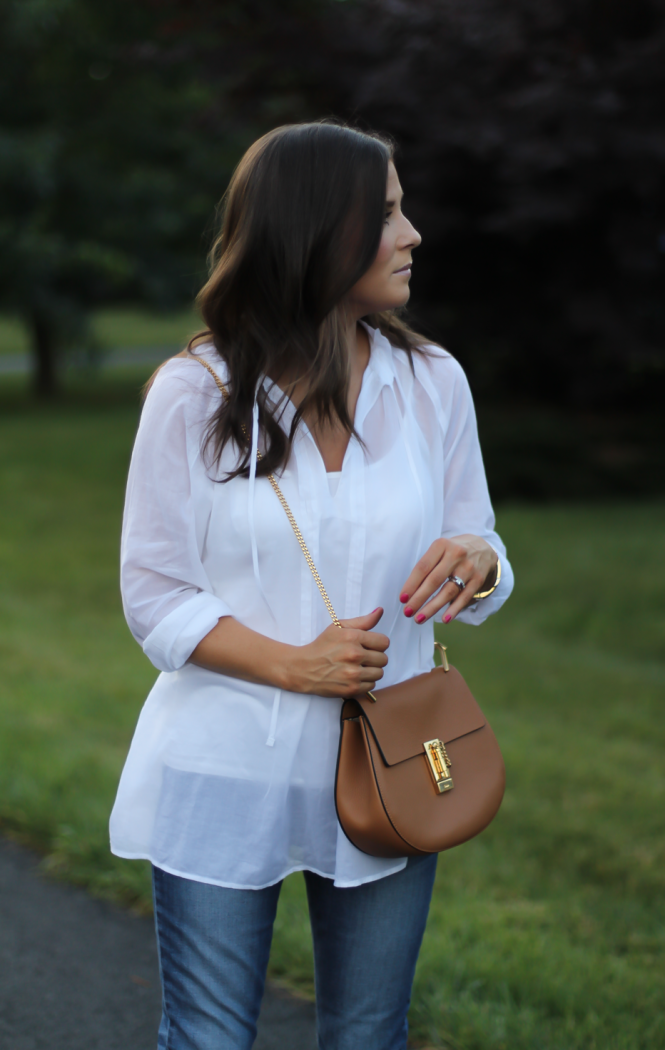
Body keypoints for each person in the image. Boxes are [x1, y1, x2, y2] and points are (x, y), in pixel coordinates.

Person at [110, 120, 514, 1050]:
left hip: (395, 768)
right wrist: (293, 665)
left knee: (368, 1034)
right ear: (314, 233)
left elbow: (478, 537)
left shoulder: (431, 383)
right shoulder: (193, 393)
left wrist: (481, 561)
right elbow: (154, 594)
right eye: (386, 214)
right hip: (223, 767)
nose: (412, 234)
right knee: (208, 1038)